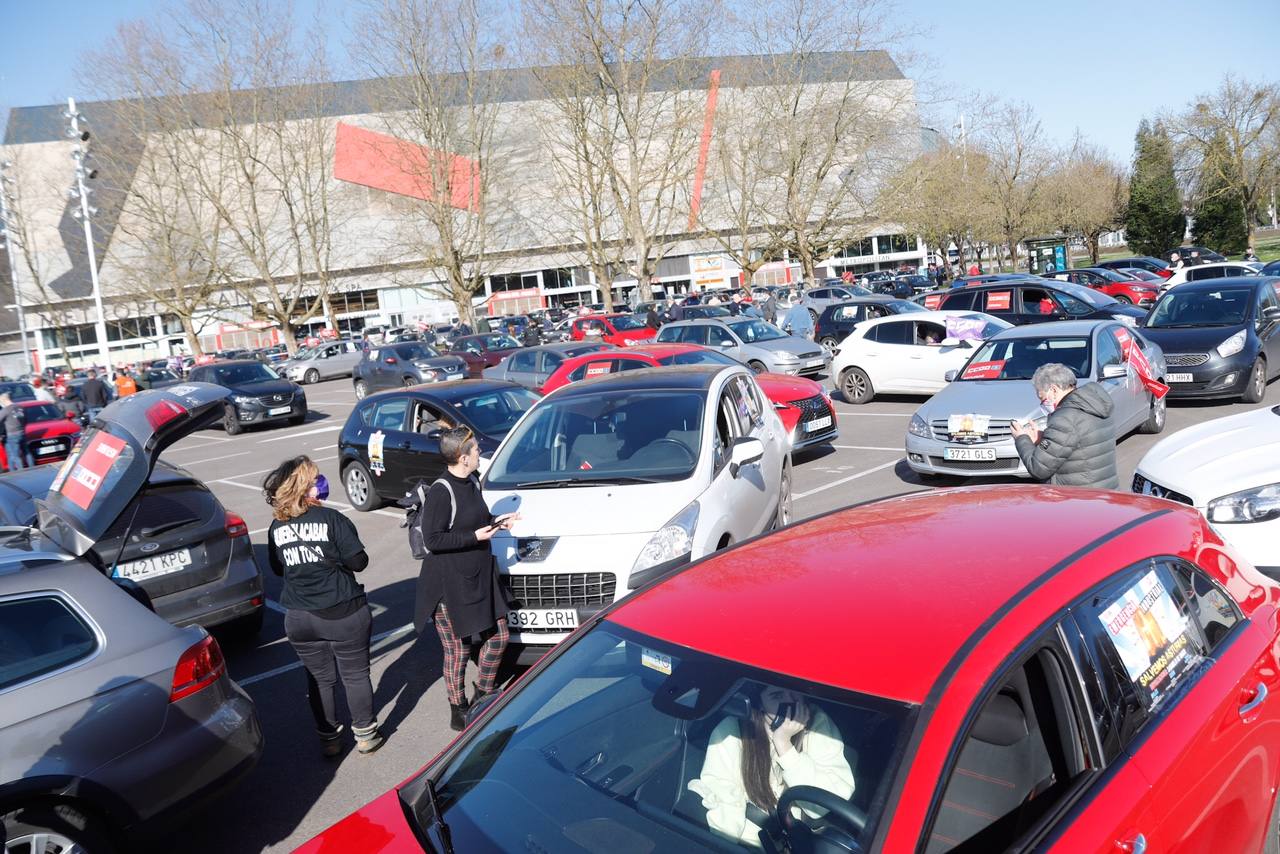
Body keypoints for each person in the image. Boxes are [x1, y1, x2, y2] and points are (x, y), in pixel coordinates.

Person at [264, 456, 383, 757]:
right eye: (316, 478)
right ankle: (365, 734)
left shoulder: (277, 525)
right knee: (355, 675)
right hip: (342, 611)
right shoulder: (333, 519)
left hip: (299, 617)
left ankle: (329, 737)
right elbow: (359, 561)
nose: (321, 482)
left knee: (319, 678)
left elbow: (278, 569)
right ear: (306, 487)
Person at [414, 426, 520, 731]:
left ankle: (484, 695)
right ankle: (458, 710)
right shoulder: (441, 490)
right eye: (475, 450)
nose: (479, 453)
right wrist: (473, 536)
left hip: (477, 577)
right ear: (463, 457)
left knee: (498, 636)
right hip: (447, 586)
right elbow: (433, 540)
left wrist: (499, 522)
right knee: (458, 650)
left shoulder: (471, 481)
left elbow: (479, 519)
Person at [687, 685, 854, 847]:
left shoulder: (817, 725)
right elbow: (723, 798)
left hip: (800, 842)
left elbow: (820, 807)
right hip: (748, 842)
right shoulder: (733, 730)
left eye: (796, 693)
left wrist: (785, 747)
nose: (791, 703)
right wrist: (722, 846)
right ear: (759, 702)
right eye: (777, 696)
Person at [1010, 362, 1119, 489]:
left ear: (1054, 390)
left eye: (1043, 399)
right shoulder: (1093, 405)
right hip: (1104, 491)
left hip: (1077, 499)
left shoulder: (1065, 418)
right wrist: (1044, 438)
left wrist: (1022, 438)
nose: (1043, 404)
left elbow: (1038, 468)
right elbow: (1080, 444)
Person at [0, 394, 27, 472]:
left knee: (14, 455)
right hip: (14, 433)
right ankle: (12, 471)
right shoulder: (19, 407)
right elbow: (25, 420)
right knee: (12, 455)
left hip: (10, 434)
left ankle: (21, 472)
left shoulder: (5, 410)